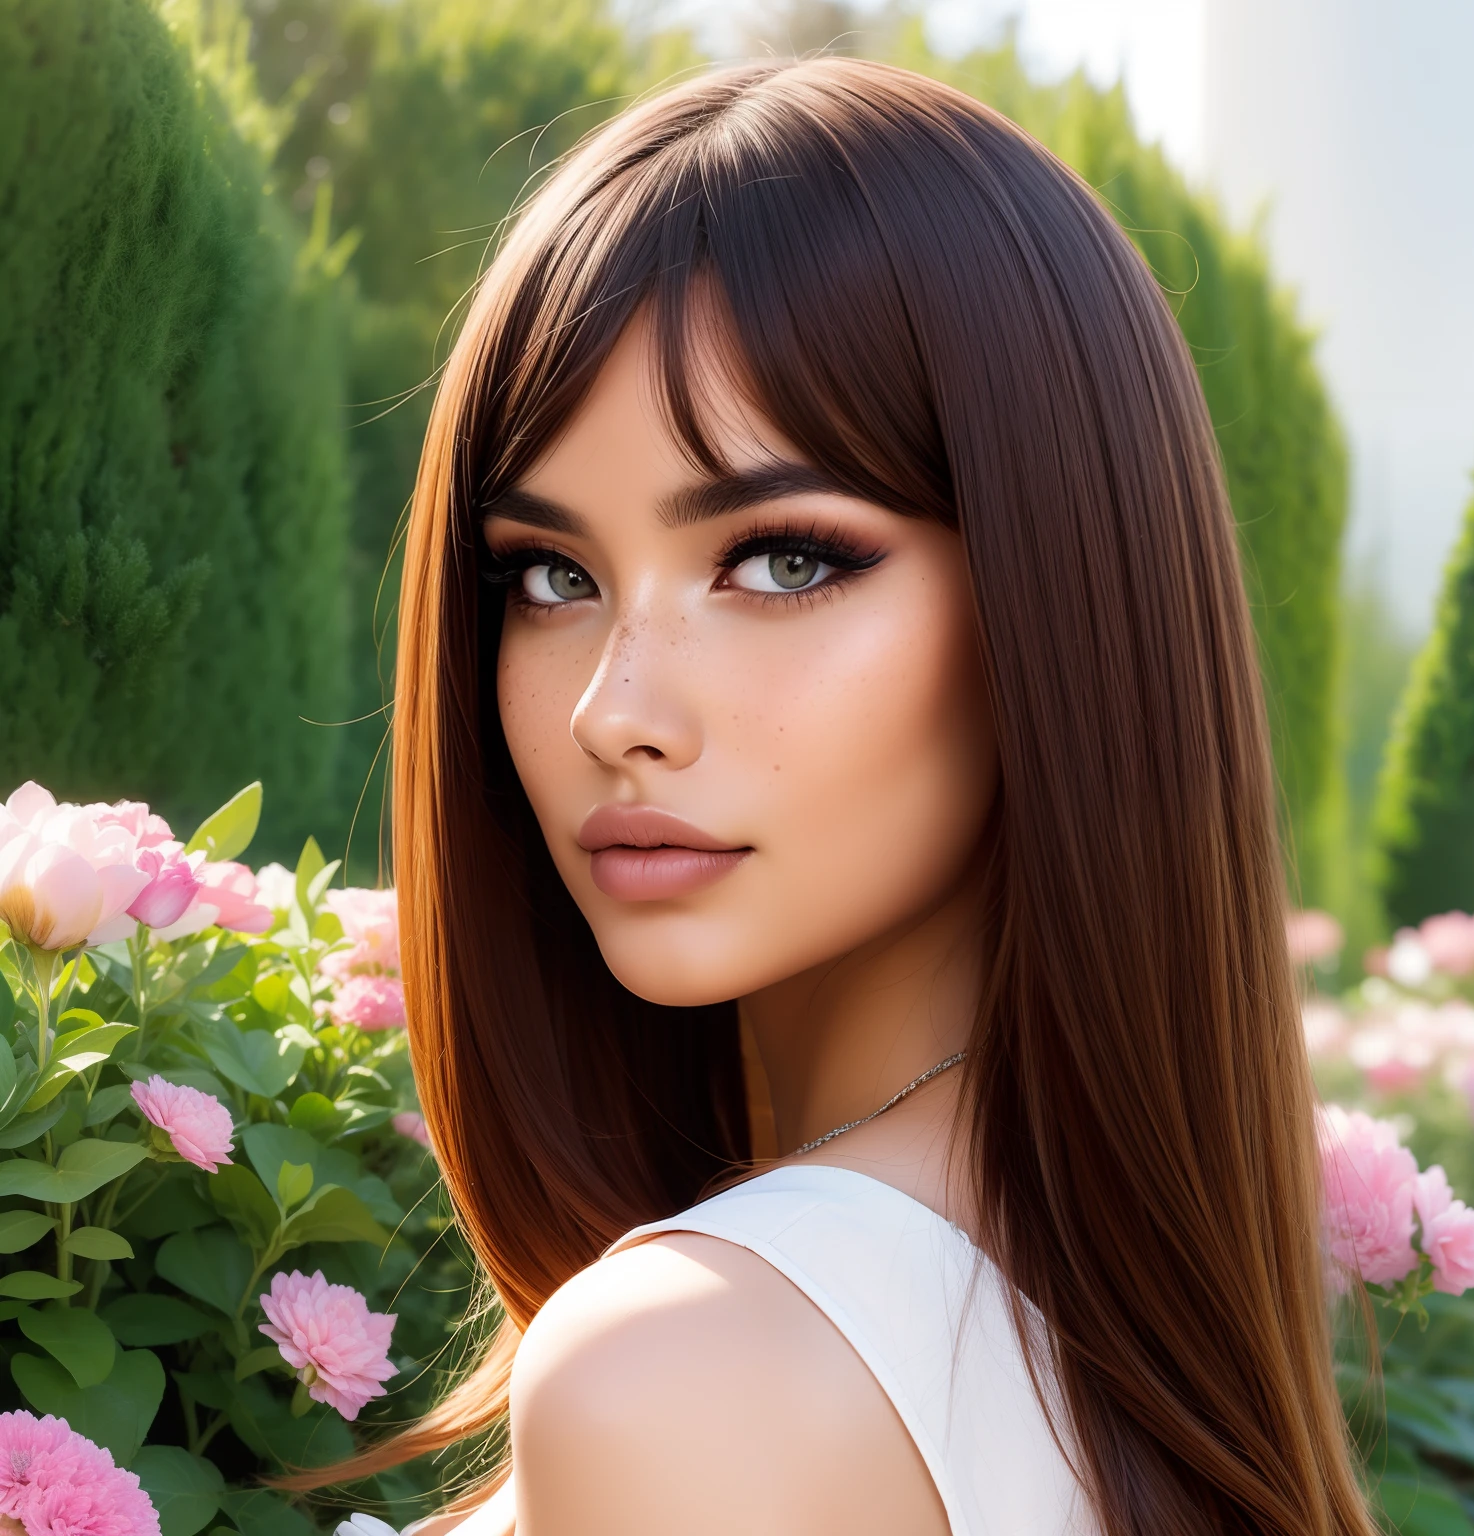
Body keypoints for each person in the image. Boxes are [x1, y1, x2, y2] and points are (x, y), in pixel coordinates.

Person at [317, 57, 1376, 1536]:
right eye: (549, 575)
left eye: (784, 559)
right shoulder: (1088, 1328)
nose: (610, 710)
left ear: (1055, 599)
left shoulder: (696, 1372)